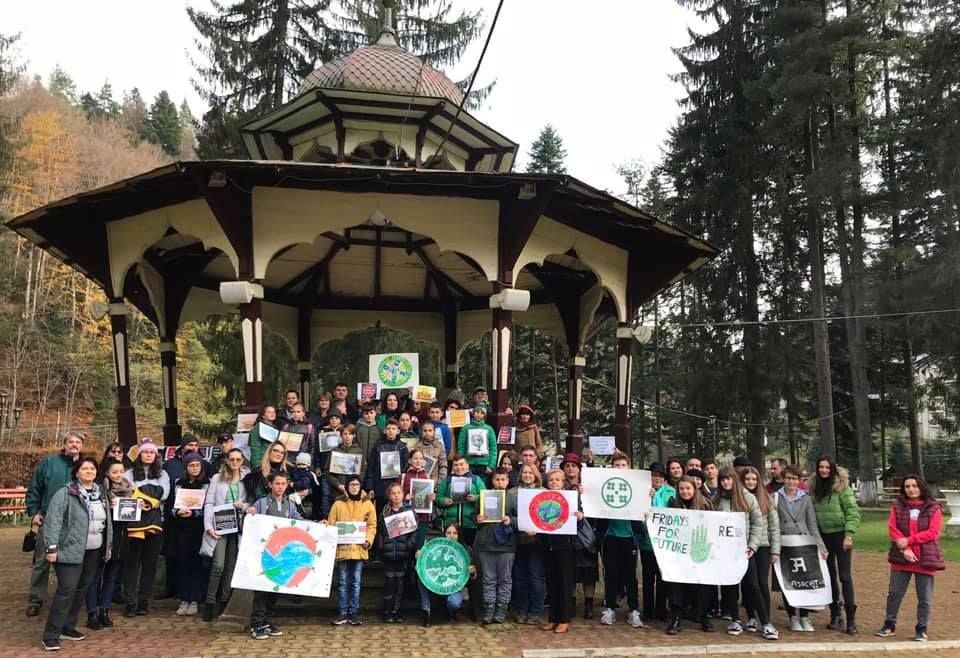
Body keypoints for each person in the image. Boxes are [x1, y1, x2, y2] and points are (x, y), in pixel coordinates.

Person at [39, 457, 112, 652]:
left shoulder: (100, 493)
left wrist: (109, 545)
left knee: (81, 589)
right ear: (76, 472)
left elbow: (107, 522)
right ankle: (51, 635)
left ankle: (67, 627)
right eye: (85, 468)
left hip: (94, 549)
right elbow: (53, 521)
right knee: (67, 590)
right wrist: (51, 548)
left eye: (92, 469)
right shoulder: (65, 492)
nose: (89, 471)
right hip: (68, 549)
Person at [875, 474, 945, 642]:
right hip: (901, 556)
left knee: (925, 597)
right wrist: (905, 548)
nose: (911, 489)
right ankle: (889, 625)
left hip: (925, 558)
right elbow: (893, 528)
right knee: (894, 594)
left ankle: (922, 629)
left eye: (914, 485)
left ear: (921, 486)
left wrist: (909, 541)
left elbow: (933, 532)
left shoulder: (934, 507)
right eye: (907, 486)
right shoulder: (897, 505)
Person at [713, 466, 777, 640]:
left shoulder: (747, 498)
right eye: (723, 479)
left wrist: (753, 546)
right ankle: (735, 619)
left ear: (735, 480)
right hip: (727, 551)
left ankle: (765, 623)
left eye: (729, 479)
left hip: (746, 550)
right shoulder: (717, 501)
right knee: (730, 585)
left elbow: (758, 523)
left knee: (753, 584)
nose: (726, 482)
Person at [26, 430, 85, 618]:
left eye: (78, 442)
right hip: (49, 518)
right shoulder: (49, 463)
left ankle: (71, 597)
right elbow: (35, 488)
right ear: (64, 444)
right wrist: (34, 512)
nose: (74, 445)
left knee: (74, 560)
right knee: (42, 561)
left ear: (81, 445)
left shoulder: (86, 465)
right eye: (71, 441)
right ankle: (36, 599)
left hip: (76, 522)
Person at [810, 455, 861, 634]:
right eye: (821, 467)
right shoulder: (814, 488)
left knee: (845, 576)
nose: (824, 470)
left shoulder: (842, 487)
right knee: (829, 575)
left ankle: (851, 618)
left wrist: (849, 534)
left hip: (841, 535)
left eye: (827, 467)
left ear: (832, 469)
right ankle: (835, 613)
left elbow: (852, 511)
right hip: (824, 536)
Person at [245, 471, 299, 639]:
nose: (280, 487)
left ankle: (267, 621)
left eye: (283, 483)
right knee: (262, 590)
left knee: (275, 589)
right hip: (265, 554)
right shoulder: (261, 503)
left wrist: (318, 524)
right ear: (270, 485)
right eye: (277, 483)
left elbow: (299, 521)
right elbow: (251, 521)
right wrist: (249, 512)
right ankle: (256, 624)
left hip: (281, 554)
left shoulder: (290, 505)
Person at [774, 464, 826, 632]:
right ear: (783, 479)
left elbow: (812, 524)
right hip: (784, 543)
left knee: (805, 581)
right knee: (788, 582)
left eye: (794, 479)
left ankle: (804, 616)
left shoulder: (806, 498)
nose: (791, 482)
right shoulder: (775, 497)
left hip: (803, 543)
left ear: (799, 480)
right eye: (788, 478)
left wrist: (820, 546)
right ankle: (792, 617)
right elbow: (773, 523)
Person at [596, 452, 643, 628]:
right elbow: (593, 497)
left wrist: (649, 494)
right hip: (610, 536)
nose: (620, 468)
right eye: (617, 465)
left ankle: (633, 610)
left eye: (623, 465)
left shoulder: (637, 485)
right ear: (612, 467)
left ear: (628, 466)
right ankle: (610, 608)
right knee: (610, 574)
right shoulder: (604, 483)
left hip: (630, 537)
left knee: (630, 575)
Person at [123, 440, 170, 617]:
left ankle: (143, 601)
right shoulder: (129, 473)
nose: (149, 455)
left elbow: (164, 493)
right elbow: (127, 491)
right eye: (145, 452)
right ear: (139, 454)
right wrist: (148, 495)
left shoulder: (163, 474)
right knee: (132, 563)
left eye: (152, 452)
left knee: (149, 563)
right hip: (134, 523)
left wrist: (143, 494)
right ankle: (129, 601)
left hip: (155, 523)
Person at [201, 448, 248, 622]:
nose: (235, 462)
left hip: (237, 525)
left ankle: (224, 600)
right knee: (218, 565)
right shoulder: (216, 478)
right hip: (220, 525)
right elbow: (209, 503)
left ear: (242, 461)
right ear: (227, 460)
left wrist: (243, 506)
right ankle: (210, 601)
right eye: (232, 459)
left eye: (238, 459)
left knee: (231, 566)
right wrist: (208, 526)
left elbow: (250, 502)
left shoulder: (246, 479)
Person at [663, 476, 714, 635]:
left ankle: (704, 616)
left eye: (688, 488)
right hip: (679, 553)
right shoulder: (673, 504)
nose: (685, 491)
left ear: (694, 489)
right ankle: (676, 618)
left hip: (700, 549)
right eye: (682, 489)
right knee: (676, 584)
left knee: (703, 584)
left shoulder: (706, 505)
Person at [85, 459, 131, 630]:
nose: (118, 475)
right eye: (114, 472)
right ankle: (92, 612)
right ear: (107, 473)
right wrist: (108, 506)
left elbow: (130, 516)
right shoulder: (100, 490)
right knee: (95, 576)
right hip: (103, 538)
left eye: (121, 471)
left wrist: (137, 507)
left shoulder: (129, 489)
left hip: (121, 537)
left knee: (112, 577)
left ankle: (104, 610)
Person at [327, 476, 377, 626]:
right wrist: (334, 539)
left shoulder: (367, 504)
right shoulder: (338, 503)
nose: (354, 487)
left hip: (359, 549)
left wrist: (368, 540)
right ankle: (342, 612)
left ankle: (353, 613)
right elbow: (331, 524)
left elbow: (372, 525)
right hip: (342, 549)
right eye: (351, 484)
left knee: (355, 582)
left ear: (360, 487)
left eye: (357, 484)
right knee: (343, 582)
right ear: (347, 487)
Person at [541, 468, 584, 634]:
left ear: (563, 482)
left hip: (565, 546)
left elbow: (580, 522)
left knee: (565, 583)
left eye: (557, 479)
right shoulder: (542, 497)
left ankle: (564, 619)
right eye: (551, 480)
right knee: (552, 583)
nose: (554, 482)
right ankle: (553, 618)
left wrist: (580, 517)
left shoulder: (571, 497)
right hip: (548, 546)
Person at [740, 465, 780, 633]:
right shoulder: (740, 498)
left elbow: (774, 526)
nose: (751, 482)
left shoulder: (767, 499)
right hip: (745, 546)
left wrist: (775, 550)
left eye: (754, 479)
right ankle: (751, 616)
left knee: (762, 583)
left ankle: (766, 618)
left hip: (763, 545)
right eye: (747, 479)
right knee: (749, 583)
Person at [475, 467, 517, 624]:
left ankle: (501, 609)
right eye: (497, 479)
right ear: (492, 481)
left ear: (507, 481)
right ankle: (489, 608)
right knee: (488, 579)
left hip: (506, 545)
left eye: (503, 479)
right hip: (486, 543)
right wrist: (477, 518)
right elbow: (474, 516)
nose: (500, 482)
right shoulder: (484, 497)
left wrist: (511, 521)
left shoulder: (512, 498)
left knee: (505, 579)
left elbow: (520, 519)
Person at [170, 452, 210, 616]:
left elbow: (208, 506)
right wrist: (177, 512)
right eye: (191, 465)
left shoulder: (206, 484)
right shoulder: (179, 483)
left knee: (197, 564)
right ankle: (184, 598)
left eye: (197, 465)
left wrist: (194, 513)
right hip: (182, 528)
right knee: (183, 563)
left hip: (198, 528)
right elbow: (172, 505)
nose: (194, 468)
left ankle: (194, 599)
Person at [415, 523, 478, 625]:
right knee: (421, 576)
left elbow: (471, 579)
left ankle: (451, 612)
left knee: (454, 603)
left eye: (455, 533)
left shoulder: (466, 551)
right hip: (435, 584)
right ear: (444, 534)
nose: (451, 536)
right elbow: (423, 566)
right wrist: (420, 558)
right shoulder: (435, 547)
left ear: (459, 535)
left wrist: (472, 573)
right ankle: (426, 611)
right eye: (448, 533)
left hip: (454, 587)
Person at [561, 452, 598, 619]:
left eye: (573, 466)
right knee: (569, 571)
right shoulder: (559, 485)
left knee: (589, 571)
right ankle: (570, 601)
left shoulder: (588, 485)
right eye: (567, 466)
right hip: (566, 534)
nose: (570, 469)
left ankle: (589, 604)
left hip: (586, 534)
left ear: (579, 469)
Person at [509, 463, 545, 625]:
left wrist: (537, 528)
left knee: (536, 578)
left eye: (531, 472)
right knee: (519, 578)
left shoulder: (544, 492)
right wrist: (520, 523)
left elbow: (548, 517)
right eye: (525, 472)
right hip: (518, 541)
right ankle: (521, 611)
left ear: (536, 475)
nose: (527, 475)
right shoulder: (512, 493)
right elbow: (507, 516)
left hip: (537, 542)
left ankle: (535, 612)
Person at [378, 482, 417, 623]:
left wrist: (409, 544)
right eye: (393, 493)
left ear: (403, 494)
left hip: (403, 553)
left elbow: (415, 531)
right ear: (389, 496)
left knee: (400, 583)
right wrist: (382, 547)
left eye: (398, 493)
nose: (396, 496)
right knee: (389, 583)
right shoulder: (385, 512)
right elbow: (380, 532)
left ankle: (397, 611)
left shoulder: (409, 511)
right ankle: (387, 611)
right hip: (388, 553)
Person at [642, 462, 674, 621]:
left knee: (663, 578)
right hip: (647, 542)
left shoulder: (671, 492)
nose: (657, 479)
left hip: (664, 543)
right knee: (648, 578)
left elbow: (669, 513)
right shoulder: (642, 491)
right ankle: (647, 611)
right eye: (654, 476)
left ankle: (661, 610)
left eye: (660, 476)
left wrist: (655, 498)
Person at [437, 456, 485, 547]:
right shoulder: (447, 480)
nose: (459, 467)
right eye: (456, 465)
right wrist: (444, 501)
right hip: (450, 525)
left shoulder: (476, 480)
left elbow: (485, 497)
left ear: (467, 465)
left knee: (469, 550)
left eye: (461, 464)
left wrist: (475, 498)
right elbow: (438, 498)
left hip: (470, 524)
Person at [365, 418, 410, 512]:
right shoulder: (377, 447)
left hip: (396, 487)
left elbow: (405, 468)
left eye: (393, 429)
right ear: (385, 431)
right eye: (388, 428)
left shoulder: (402, 447)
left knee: (396, 514)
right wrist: (370, 487)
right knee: (381, 513)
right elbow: (371, 468)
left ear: (398, 431)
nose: (391, 431)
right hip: (380, 487)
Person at [401, 449, 433, 548]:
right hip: (406, 517)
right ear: (410, 460)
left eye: (421, 459)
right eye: (415, 458)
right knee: (406, 547)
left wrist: (432, 498)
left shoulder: (427, 477)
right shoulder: (403, 477)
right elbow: (395, 495)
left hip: (422, 517)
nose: (418, 461)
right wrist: (405, 498)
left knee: (419, 547)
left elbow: (430, 498)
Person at [325, 424, 365, 502]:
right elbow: (328, 472)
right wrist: (338, 485)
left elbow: (362, 471)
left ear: (354, 435)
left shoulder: (359, 451)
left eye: (350, 434)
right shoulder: (335, 451)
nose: (347, 436)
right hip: (337, 490)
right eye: (345, 434)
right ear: (341, 435)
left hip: (354, 490)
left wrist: (355, 484)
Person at [457, 405, 497, 481]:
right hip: (469, 463)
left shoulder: (489, 429)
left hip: (484, 465)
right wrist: (461, 462)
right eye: (477, 412)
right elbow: (461, 446)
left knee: (482, 486)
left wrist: (491, 465)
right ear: (473, 413)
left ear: (484, 415)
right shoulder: (465, 428)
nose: (479, 414)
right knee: (469, 485)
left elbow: (493, 448)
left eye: (482, 413)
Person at [280, 403, 317, 467]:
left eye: (298, 412)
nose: (295, 414)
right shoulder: (286, 426)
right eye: (293, 412)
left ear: (303, 413)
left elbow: (312, 447)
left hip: (302, 462)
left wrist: (309, 461)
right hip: (287, 461)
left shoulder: (309, 427)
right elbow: (281, 444)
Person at [413, 420, 448, 486]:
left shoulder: (439, 446)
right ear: (421, 432)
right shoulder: (417, 446)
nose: (427, 433)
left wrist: (440, 483)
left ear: (434, 432)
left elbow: (443, 465)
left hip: (435, 481)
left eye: (430, 430)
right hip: (420, 481)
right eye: (425, 431)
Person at [248, 404, 279, 470]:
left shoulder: (276, 428)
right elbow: (255, 447)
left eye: (273, 412)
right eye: (269, 412)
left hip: (272, 462)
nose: (272, 414)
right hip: (261, 462)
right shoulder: (258, 427)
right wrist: (257, 465)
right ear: (263, 415)